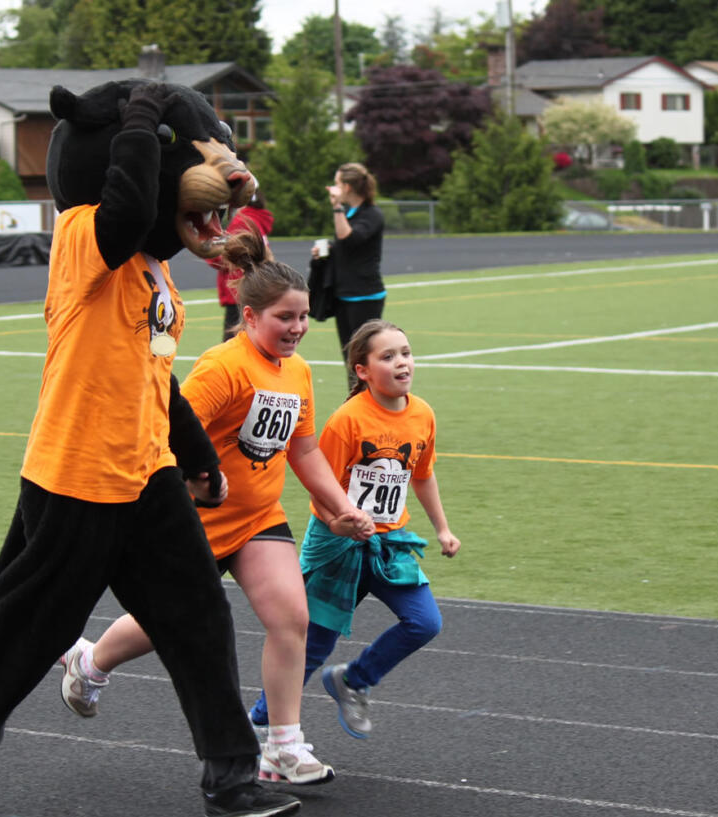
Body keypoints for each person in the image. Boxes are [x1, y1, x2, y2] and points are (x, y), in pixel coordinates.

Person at [0, 81, 299, 817]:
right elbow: (127, 209)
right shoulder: (81, 235)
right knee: (38, 624)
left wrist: (196, 459)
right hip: (76, 471)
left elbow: (154, 381)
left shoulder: (158, 275)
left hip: (146, 472)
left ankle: (230, 775)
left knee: (197, 616)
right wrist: (145, 113)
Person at [58, 228, 375, 785]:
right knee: (167, 624)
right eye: (284, 318)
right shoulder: (222, 367)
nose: (297, 328)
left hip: (259, 519)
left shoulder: (297, 372)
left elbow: (302, 449)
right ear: (249, 317)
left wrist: (341, 506)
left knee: (291, 619)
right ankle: (90, 661)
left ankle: (283, 746)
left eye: (302, 317)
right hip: (198, 522)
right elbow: (167, 430)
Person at [249, 319, 460, 740]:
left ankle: (355, 679)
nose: (402, 362)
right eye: (388, 356)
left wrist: (442, 528)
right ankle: (258, 722)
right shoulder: (348, 420)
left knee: (424, 622)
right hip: (338, 545)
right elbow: (317, 486)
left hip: (390, 543)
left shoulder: (422, 415)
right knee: (312, 646)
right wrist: (337, 522)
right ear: (362, 370)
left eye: (406, 352)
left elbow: (421, 474)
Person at [312, 163, 385, 384]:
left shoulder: (371, 214)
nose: (333, 188)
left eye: (336, 183)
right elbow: (345, 246)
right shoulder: (350, 214)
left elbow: (350, 238)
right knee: (351, 360)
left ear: (347, 187)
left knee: (365, 358)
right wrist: (326, 252)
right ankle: (356, 404)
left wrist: (336, 208)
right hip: (344, 295)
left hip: (365, 297)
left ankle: (372, 403)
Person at [209, 188, 274, 342]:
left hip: (239, 288)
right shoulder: (256, 219)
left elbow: (229, 256)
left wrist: (211, 251)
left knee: (234, 343)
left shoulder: (242, 221)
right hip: (253, 285)